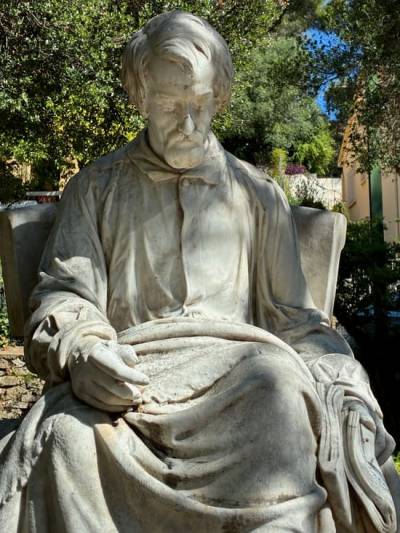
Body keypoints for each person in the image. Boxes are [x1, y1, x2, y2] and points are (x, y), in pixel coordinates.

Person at [0, 11, 398, 533]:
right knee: (65, 441)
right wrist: (83, 352)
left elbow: (297, 322)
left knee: (281, 399)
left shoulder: (257, 196)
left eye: (201, 104)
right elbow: (64, 296)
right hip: (131, 388)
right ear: (141, 96)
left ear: (219, 98)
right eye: (170, 105)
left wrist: (343, 380)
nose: (188, 124)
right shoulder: (96, 189)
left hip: (242, 381)